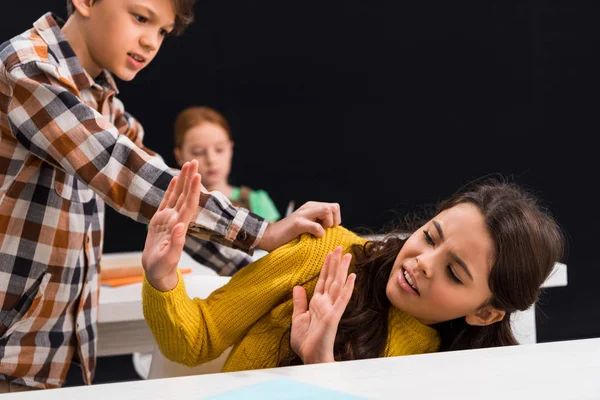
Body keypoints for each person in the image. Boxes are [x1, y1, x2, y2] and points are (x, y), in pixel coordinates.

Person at [0, 0, 341, 391]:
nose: (150, 42)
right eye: (141, 17)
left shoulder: (104, 104)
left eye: (163, 31)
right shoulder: (27, 68)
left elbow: (171, 213)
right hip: (9, 352)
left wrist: (279, 278)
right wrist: (263, 232)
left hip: (49, 355)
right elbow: (126, 172)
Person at [142, 169, 566, 370]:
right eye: (430, 237)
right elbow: (194, 342)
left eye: (455, 274)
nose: (422, 263)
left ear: (486, 314)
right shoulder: (324, 253)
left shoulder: (464, 371)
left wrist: (321, 366)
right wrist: (162, 278)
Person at [173, 106, 281, 222]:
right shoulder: (170, 204)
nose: (211, 160)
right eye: (198, 152)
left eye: (219, 149)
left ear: (230, 149)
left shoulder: (256, 201)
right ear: (179, 156)